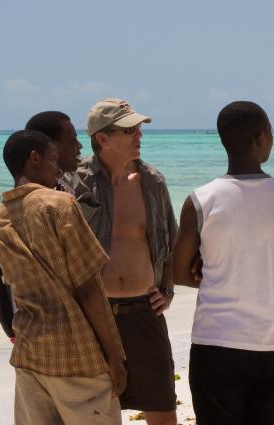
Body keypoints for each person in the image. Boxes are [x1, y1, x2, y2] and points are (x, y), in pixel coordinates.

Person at [173, 101, 274, 425]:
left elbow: (178, 272)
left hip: (215, 343)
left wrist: (215, 272)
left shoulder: (200, 199)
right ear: (261, 138)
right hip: (272, 343)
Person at [0, 130, 126, 424]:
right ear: (34, 159)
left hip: (30, 354)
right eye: (52, 161)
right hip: (77, 356)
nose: (58, 169)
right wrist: (114, 355)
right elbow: (88, 286)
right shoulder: (59, 205)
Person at [63, 98, 178, 425]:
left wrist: (167, 290)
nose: (139, 136)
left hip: (145, 313)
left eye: (139, 128)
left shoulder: (152, 182)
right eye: (129, 130)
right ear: (103, 138)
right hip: (93, 317)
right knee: (98, 413)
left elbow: (170, 241)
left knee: (163, 410)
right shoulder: (74, 183)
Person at [0, 111, 83, 341]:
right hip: (57, 333)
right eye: (71, 140)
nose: (79, 146)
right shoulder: (49, 203)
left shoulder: (66, 192)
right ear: (46, 149)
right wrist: (10, 329)